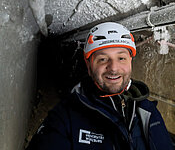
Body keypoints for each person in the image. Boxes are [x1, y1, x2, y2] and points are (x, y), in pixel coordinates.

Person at [26, 22, 173, 150]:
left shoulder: (148, 110)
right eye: (103, 59)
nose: (114, 68)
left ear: (130, 62)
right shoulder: (65, 119)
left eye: (121, 58)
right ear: (89, 66)